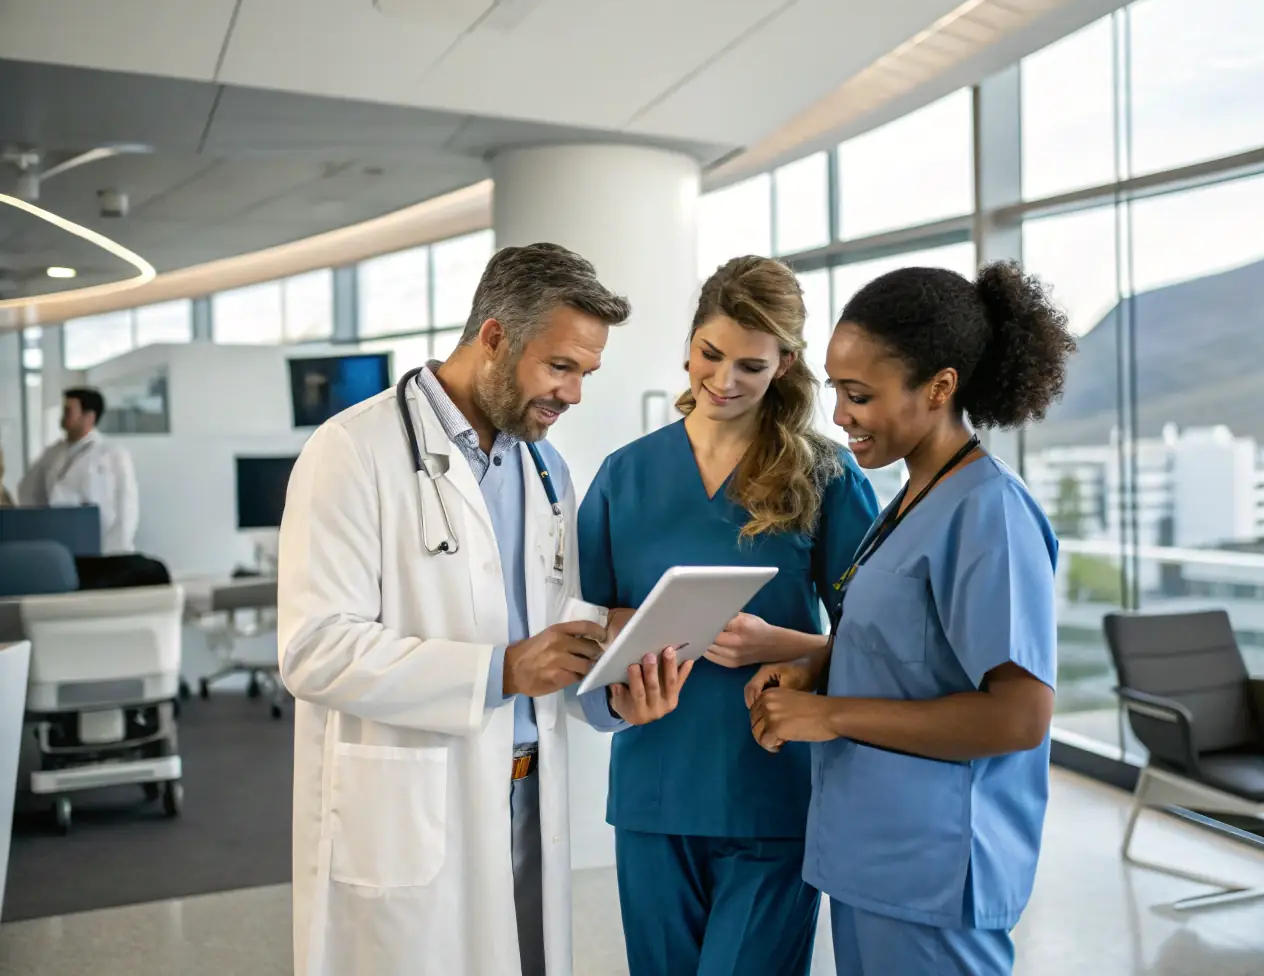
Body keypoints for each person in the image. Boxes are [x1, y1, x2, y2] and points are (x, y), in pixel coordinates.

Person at [276, 243, 694, 976]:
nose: (573, 394)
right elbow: (314, 649)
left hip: (529, 792)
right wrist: (498, 670)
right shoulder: (352, 451)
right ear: (495, 338)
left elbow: (551, 631)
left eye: (585, 374)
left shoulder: (545, 467)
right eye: (559, 367)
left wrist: (613, 683)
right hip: (415, 802)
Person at [745, 261, 1075, 975]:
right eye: (836, 390)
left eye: (860, 395)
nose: (840, 415)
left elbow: (1019, 716)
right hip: (876, 857)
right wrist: (817, 665)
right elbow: (910, 646)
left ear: (939, 387)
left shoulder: (988, 513)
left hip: (933, 872)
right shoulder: (910, 501)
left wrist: (830, 715)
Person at [578, 255, 880, 975]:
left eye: (750, 365)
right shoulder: (624, 475)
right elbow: (584, 627)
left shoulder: (825, 476)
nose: (723, 379)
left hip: (771, 790)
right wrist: (615, 657)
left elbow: (880, 642)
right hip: (654, 791)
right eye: (710, 354)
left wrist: (781, 643)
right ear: (689, 345)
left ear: (784, 366)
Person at [18, 387, 138, 553]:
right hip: (56, 541)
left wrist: (117, 550)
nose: (63, 416)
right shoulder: (52, 453)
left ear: (89, 416)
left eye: (69, 411)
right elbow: (28, 491)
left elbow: (127, 507)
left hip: (100, 544)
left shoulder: (112, 454)